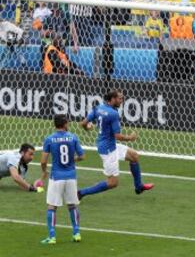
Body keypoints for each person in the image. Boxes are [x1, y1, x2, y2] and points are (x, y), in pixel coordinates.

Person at [78, 90, 154, 199]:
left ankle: (139, 187)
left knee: (134, 156)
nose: (122, 101)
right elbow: (117, 136)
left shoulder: (98, 108)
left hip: (107, 144)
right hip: (108, 150)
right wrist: (130, 138)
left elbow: (83, 123)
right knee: (113, 183)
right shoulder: (113, 114)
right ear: (112, 99)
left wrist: (88, 128)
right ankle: (80, 193)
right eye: (120, 98)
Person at [40, 115, 85, 245]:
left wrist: (44, 171)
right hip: (71, 176)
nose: (69, 124)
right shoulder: (73, 137)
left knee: (52, 206)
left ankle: (52, 236)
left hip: (56, 176)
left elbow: (43, 161)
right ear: (64, 124)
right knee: (72, 205)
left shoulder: (49, 139)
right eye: (68, 122)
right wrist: (73, 160)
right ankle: (77, 233)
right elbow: (82, 156)